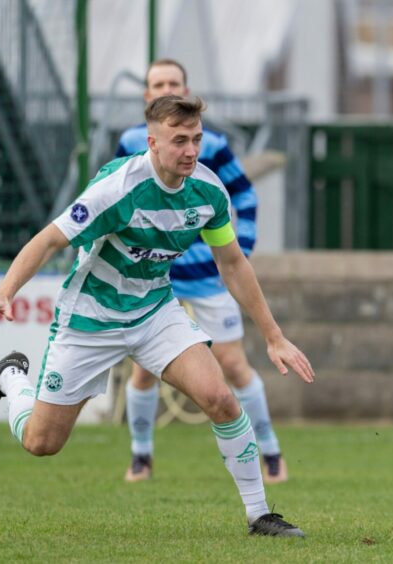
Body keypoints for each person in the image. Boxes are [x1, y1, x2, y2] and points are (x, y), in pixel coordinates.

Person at [0, 95, 314, 537]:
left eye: (196, 139)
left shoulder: (208, 192)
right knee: (41, 443)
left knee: (220, 398)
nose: (191, 150)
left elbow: (233, 264)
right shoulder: (118, 188)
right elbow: (50, 239)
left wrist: (274, 336)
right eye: (179, 140)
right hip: (90, 317)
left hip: (153, 312)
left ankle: (259, 515)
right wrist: (4, 292)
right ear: (152, 142)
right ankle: (11, 377)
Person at [114, 59, 286, 484]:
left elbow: (243, 196)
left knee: (233, 363)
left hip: (208, 278)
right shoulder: (132, 142)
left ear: (186, 90)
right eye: (158, 84)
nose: (165, 89)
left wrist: (240, 249)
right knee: (144, 370)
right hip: (155, 278)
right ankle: (141, 456)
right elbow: (115, 203)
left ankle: (270, 452)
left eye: (173, 83)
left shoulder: (210, 144)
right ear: (147, 96)